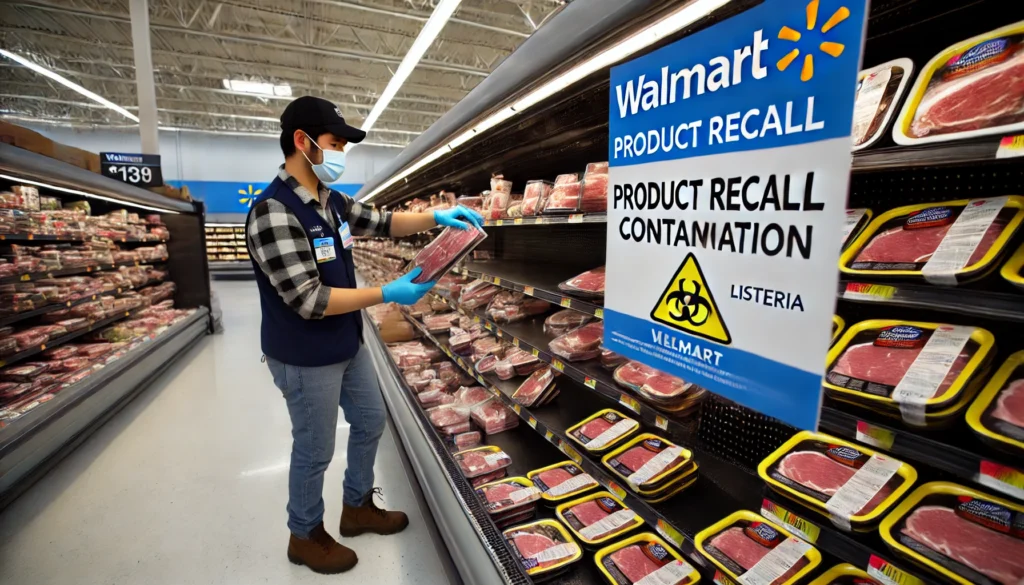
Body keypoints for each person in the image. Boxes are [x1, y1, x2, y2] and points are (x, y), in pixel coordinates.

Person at [246, 95, 483, 574]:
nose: (340, 154)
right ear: (302, 141)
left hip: (345, 341)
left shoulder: (329, 200)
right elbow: (309, 300)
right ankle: (305, 534)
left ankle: (356, 507)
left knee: (371, 419)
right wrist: (387, 291)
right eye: (333, 143)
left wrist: (439, 217)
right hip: (304, 352)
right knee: (314, 448)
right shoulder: (274, 212)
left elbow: (384, 221)